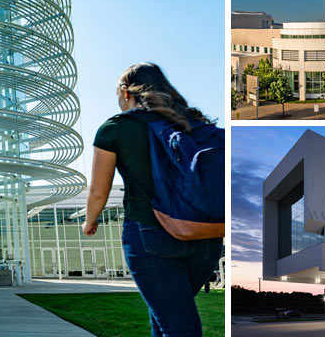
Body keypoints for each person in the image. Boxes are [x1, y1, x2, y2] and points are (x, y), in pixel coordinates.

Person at [82, 63, 223, 337]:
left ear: (126, 92)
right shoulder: (194, 123)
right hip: (206, 235)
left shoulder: (115, 128)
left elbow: (99, 191)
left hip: (150, 234)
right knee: (164, 320)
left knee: (178, 326)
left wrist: (90, 221)